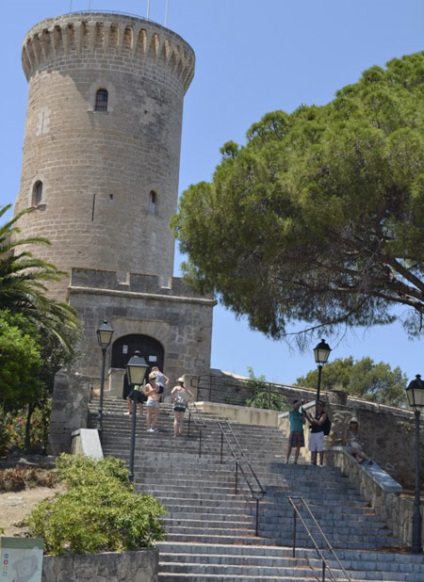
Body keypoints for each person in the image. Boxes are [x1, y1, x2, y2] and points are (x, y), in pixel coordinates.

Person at [305, 400, 327, 466]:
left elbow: (320, 423)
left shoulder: (324, 414)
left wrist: (312, 418)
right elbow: (312, 423)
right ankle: (312, 461)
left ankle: (320, 463)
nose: (317, 407)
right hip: (313, 432)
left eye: (319, 405)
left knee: (320, 448)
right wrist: (307, 416)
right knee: (312, 447)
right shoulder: (316, 414)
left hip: (319, 432)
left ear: (322, 406)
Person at [286, 399, 305, 464]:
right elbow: (293, 407)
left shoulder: (300, 413)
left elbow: (304, 422)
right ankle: (287, 460)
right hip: (293, 431)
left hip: (300, 431)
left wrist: (303, 415)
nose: (298, 406)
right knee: (290, 446)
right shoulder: (291, 412)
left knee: (298, 447)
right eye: (297, 405)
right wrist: (300, 402)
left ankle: (295, 461)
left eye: (299, 405)